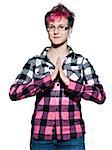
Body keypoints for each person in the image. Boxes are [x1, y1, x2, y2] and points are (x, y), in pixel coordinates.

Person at [9, 3, 106, 150]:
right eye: (52, 27)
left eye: (61, 27)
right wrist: (47, 80)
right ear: (47, 30)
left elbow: (100, 96)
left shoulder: (80, 62)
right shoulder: (35, 62)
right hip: (41, 137)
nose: (56, 31)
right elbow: (14, 92)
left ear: (70, 30)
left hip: (73, 138)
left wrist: (69, 83)